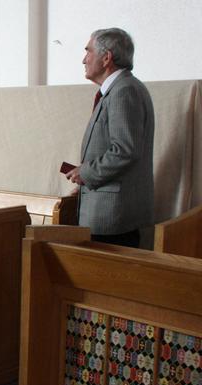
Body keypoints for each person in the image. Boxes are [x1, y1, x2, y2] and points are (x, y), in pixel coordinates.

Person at [64, 28, 154, 248]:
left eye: (88, 51)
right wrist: (85, 182)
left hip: (114, 217)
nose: (84, 59)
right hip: (109, 211)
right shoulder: (118, 89)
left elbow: (125, 151)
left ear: (106, 58)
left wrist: (86, 172)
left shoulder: (124, 91)